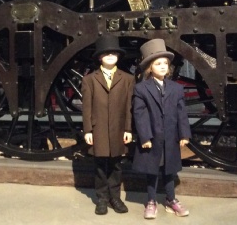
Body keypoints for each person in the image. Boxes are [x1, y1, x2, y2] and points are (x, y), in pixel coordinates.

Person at [132, 39, 192, 219]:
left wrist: (184, 134)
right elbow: (139, 114)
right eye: (158, 64)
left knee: (170, 170)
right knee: (152, 170)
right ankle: (151, 201)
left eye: (165, 63)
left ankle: (171, 199)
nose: (163, 66)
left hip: (171, 137)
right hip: (152, 136)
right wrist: (145, 137)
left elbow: (181, 113)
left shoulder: (176, 88)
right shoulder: (141, 89)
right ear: (150, 68)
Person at [81, 35, 134, 215]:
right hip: (99, 129)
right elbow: (87, 107)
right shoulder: (89, 79)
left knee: (116, 165)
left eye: (114, 53)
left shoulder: (127, 79)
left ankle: (115, 198)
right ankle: (102, 198)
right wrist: (88, 130)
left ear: (118, 56)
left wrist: (128, 129)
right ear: (99, 57)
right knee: (100, 165)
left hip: (118, 129)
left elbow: (129, 107)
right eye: (106, 53)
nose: (110, 56)